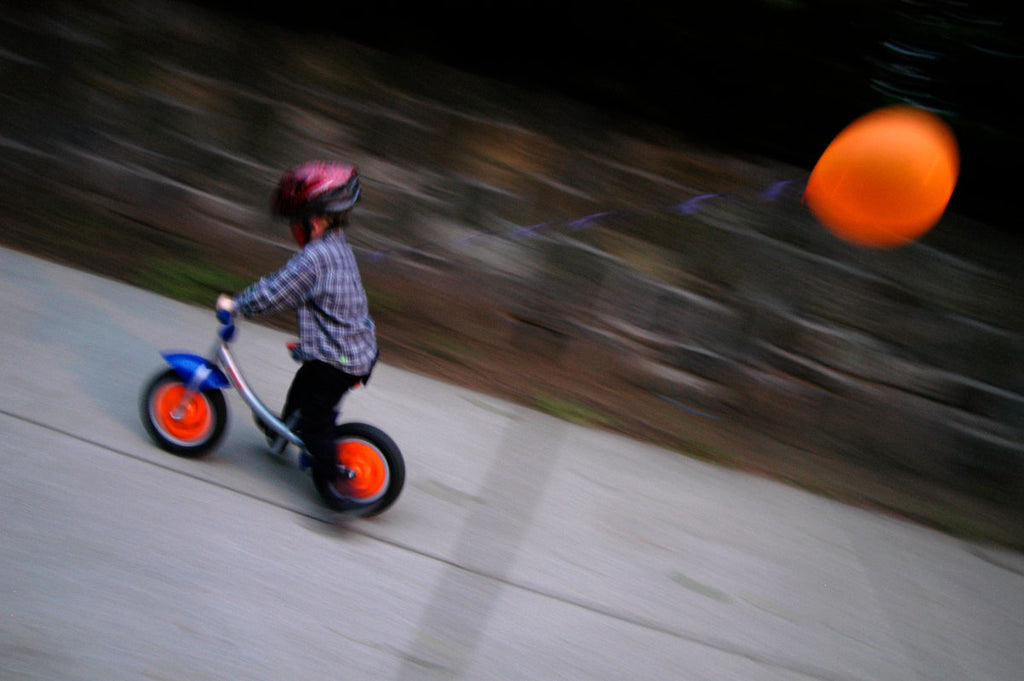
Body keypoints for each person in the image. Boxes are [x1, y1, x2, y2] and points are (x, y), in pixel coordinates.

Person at [217, 160, 378, 486]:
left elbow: (277, 291)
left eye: (296, 223)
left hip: (339, 360)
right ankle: (283, 432)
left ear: (314, 223)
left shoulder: (316, 258)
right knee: (303, 389)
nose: (294, 230)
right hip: (343, 350)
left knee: (316, 419)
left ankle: (338, 486)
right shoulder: (335, 247)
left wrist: (238, 304)